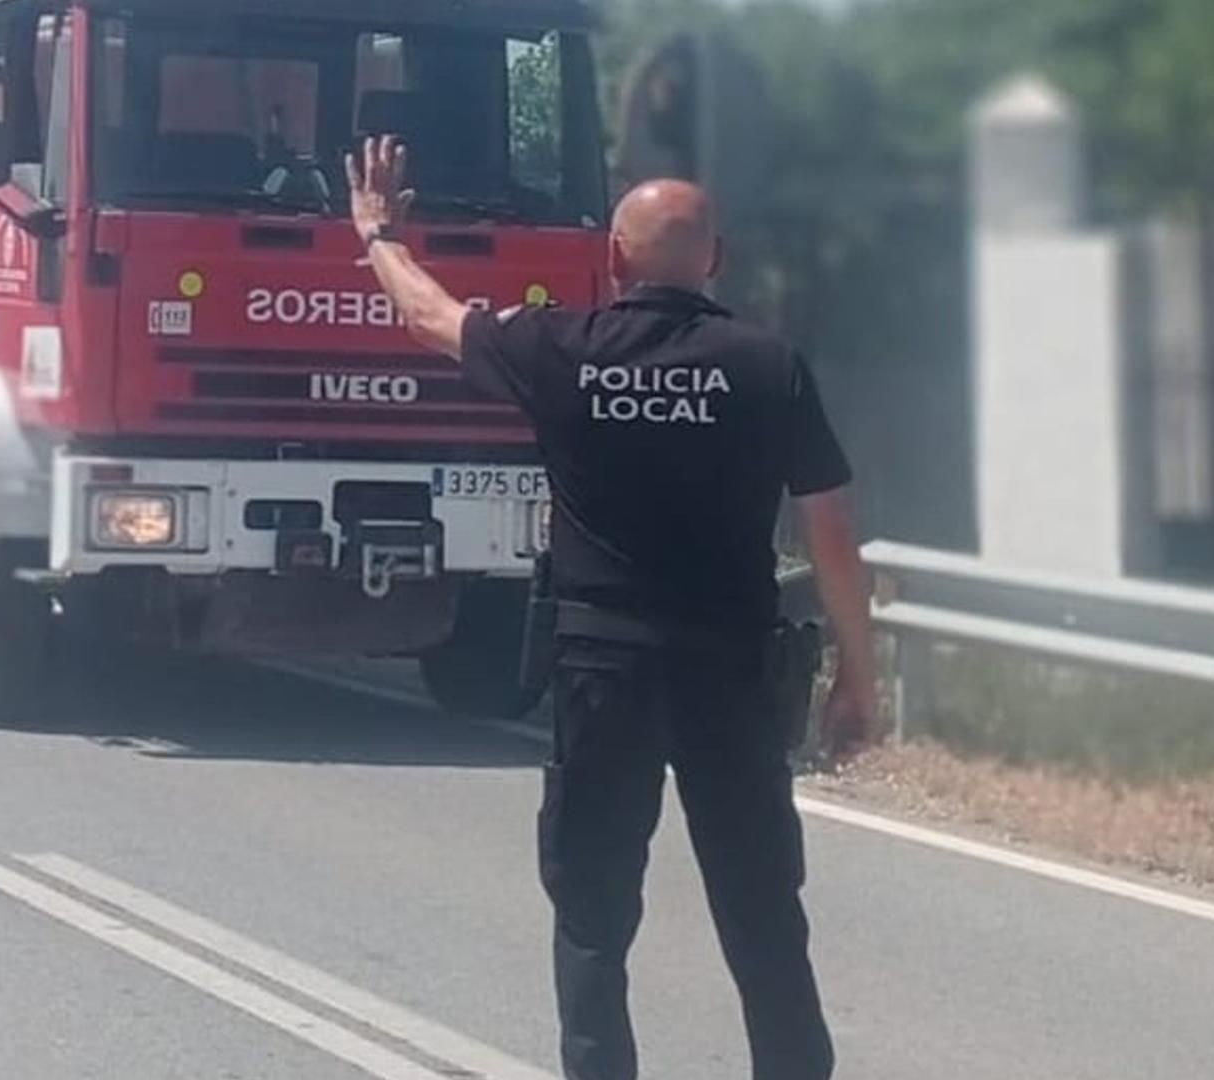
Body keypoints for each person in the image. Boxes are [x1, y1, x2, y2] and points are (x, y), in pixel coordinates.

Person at [346, 137, 876, 1080]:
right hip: (733, 676)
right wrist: (858, 677)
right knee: (762, 915)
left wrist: (380, 234)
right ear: (715, 259)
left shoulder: (561, 350)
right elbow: (832, 531)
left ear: (613, 259)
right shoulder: (767, 366)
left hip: (603, 672)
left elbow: (430, 317)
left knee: (593, 917)